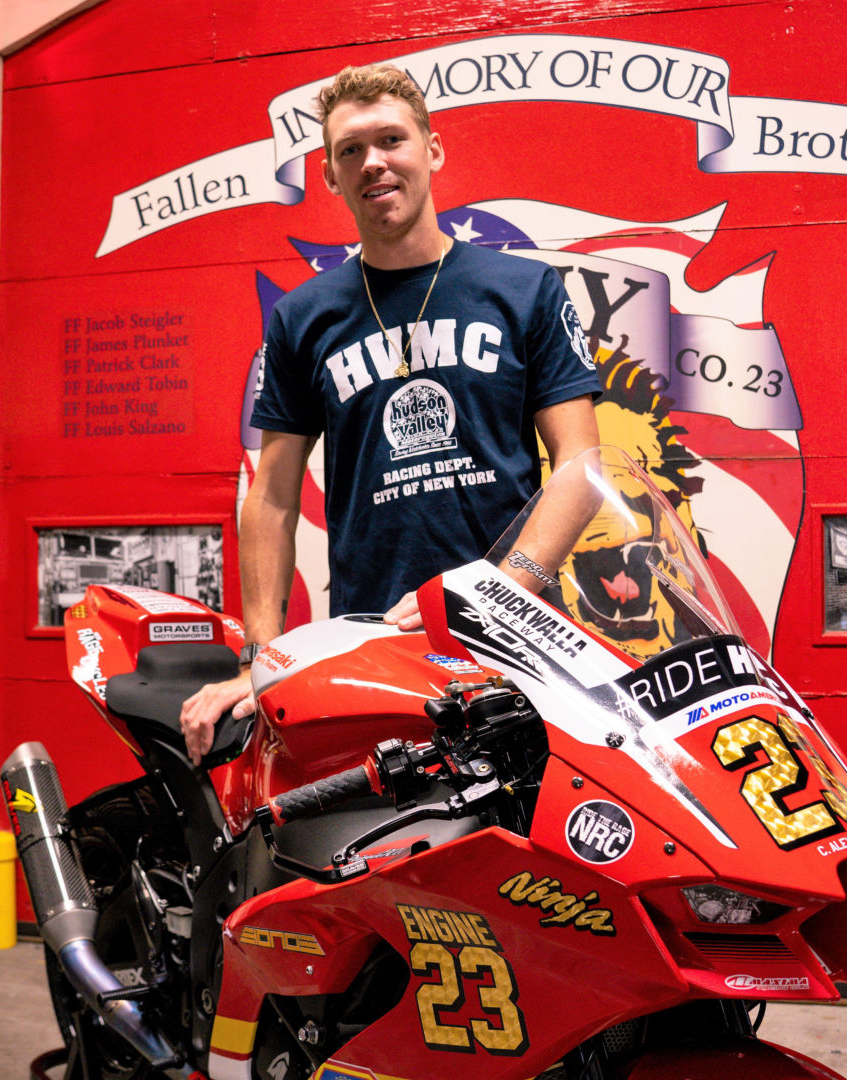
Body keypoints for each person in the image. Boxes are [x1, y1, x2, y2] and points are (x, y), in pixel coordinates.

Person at [178, 64, 601, 762]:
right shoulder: (302, 318)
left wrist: (497, 590)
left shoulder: (523, 289)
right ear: (330, 176)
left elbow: (580, 467)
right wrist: (260, 655)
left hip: (516, 638)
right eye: (350, 150)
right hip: (373, 647)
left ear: (432, 150)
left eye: (391, 140)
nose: (373, 161)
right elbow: (274, 496)